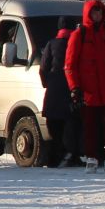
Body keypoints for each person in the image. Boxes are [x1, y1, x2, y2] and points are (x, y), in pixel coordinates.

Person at [64, 0, 105, 171]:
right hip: (89, 91)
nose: (97, 15)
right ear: (88, 14)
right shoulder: (79, 35)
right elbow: (70, 65)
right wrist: (75, 87)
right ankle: (91, 158)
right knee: (90, 127)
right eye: (94, 12)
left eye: (99, 12)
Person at [37, 19, 82, 168]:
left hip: (54, 91)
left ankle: (55, 157)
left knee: (54, 126)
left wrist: (47, 84)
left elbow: (43, 68)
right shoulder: (78, 44)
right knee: (71, 126)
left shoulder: (51, 44)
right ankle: (72, 154)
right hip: (72, 89)